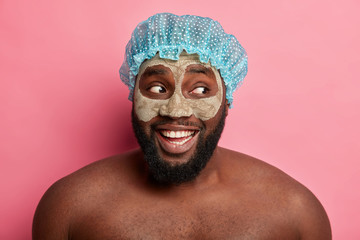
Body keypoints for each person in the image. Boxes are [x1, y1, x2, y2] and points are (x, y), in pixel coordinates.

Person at [33, 13, 331, 239]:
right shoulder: (69, 208)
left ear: (227, 100)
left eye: (200, 90)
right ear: (132, 95)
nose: (175, 110)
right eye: (157, 89)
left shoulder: (296, 213)